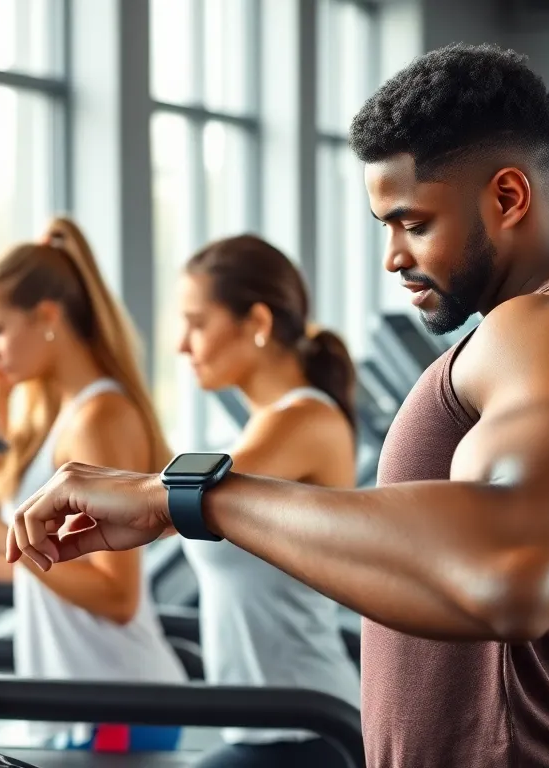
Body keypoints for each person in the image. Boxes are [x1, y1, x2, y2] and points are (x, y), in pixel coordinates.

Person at [3, 43, 549, 768]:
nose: (394, 256)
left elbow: (510, 573)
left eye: (414, 223)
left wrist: (183, 498)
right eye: (386, 227)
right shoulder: (528, 337)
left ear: (508, 196)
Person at [0, 218, 187, 751]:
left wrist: (7, 538)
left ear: (47, 317)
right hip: (79, 705)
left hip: (118, 701)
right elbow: (26, 559)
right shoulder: (58, 415)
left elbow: (116, 595)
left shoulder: (100, 418)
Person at [175, 234, 361, 768]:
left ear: (255, 323)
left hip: (306, 731)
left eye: (197, 322)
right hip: (267, 725)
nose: (182, 345)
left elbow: (176, 500)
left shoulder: (304, 419)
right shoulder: (266, 428)